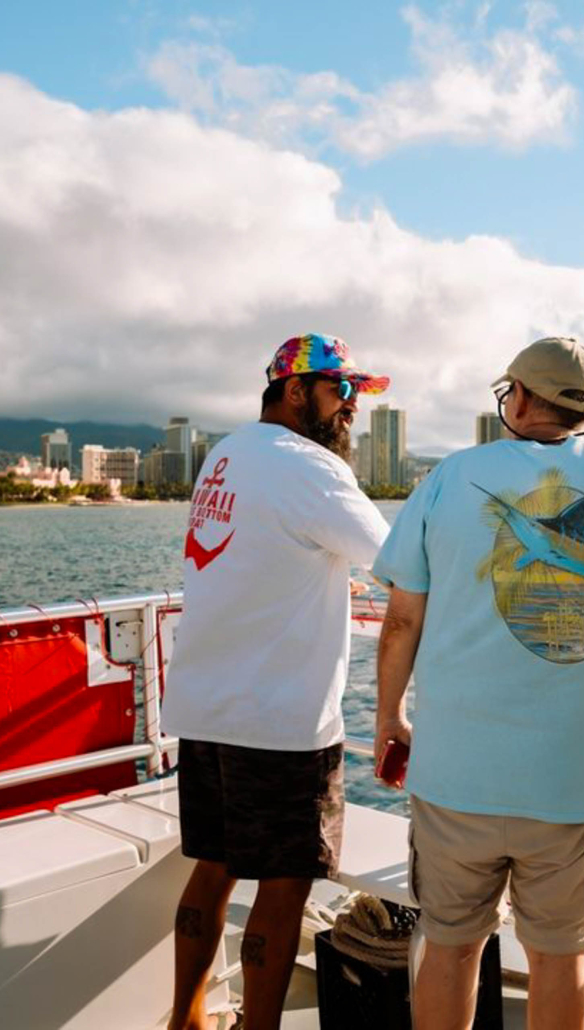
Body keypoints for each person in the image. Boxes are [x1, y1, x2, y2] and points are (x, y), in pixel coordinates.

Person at [371, 337, 584, 1030]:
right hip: (576, 782)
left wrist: (389, 718)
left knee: (450, 948)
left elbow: (400, 622)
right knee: (561, 959)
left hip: (455, 774)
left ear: (516, 397)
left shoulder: (451, 476)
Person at [161, 333, 391, 1030]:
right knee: (286, 881)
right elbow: (399, 559)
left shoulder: (228, 454)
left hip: (205, 703)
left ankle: (186, 1020)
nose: (351, 407)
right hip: (279, 717)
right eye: (339, 389)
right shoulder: (309, 468)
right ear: (296, 390)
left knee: (214, 865)